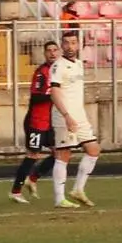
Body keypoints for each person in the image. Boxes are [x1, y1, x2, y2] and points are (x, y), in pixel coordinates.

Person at [48, 30, 102, 208]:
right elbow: (54, 92)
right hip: (65, 116)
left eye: (73, 43)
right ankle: (59, 199)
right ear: (61, 45)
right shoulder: (58, 66)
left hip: (79, 115)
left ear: (78, 45)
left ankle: (78, 189)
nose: (70, 47)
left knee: (93, 149)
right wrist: (66, 115)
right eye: (66, 43)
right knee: (64, 154)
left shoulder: (78, 64)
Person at [8, 40, 60, 204]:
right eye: (49, 50)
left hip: (50, 122)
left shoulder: (59, 72)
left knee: (59, 153)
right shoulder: (41, 72)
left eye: (55, 50)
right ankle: (15, 191)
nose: (52, 53)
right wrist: (51, 92)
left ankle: (33, 178)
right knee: (33, 155)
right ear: (44, 54)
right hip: (36, 121)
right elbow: (36, 96)